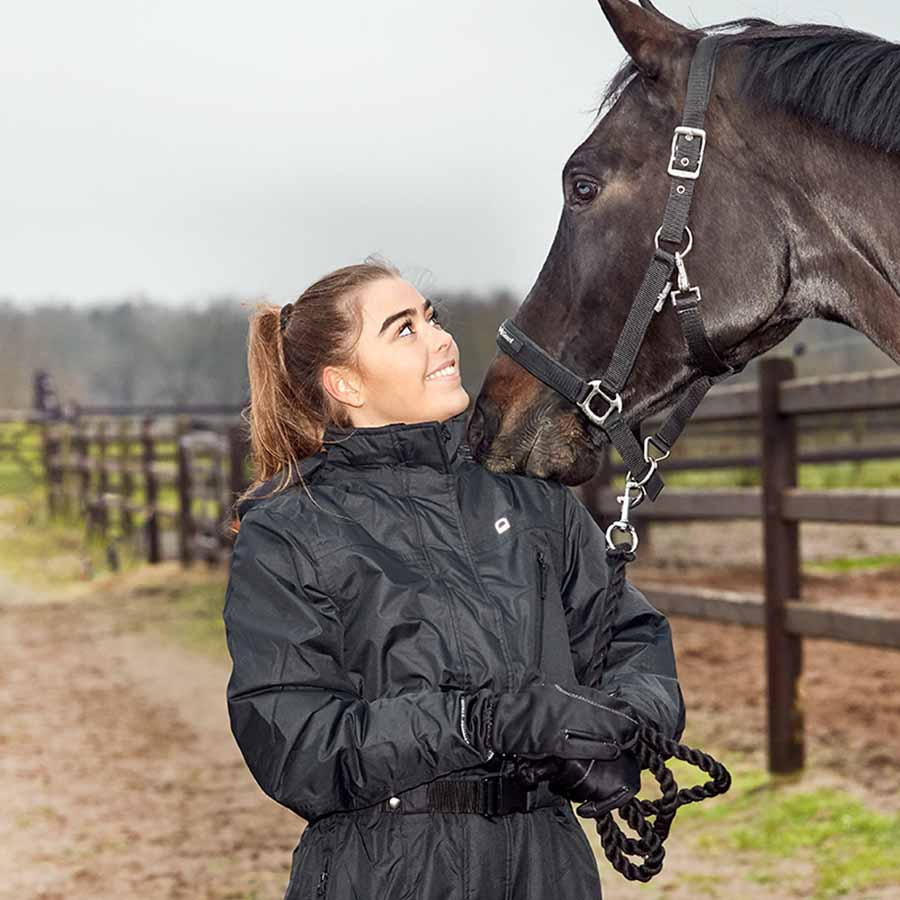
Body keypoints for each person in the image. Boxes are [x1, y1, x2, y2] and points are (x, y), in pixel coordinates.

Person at [222, 257, 686, 899]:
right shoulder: (289, 531)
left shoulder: (530, 499)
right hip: (390, 875)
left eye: (431, 318)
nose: (441, 338)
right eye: (403, 329)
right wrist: (480, 722)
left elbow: (629, 642)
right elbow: (298, 745)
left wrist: (620, 728)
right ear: (346, 384)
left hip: (548, 870)